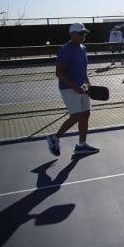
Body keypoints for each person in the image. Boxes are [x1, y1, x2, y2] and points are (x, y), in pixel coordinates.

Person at [46, 23, 100, 156]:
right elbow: (59, 73)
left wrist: (87, 81)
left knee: (86, 114)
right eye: (81, 33)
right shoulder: (66, 50)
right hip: (68, 89)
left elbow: (82, 68)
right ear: (72, 35)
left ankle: (81, 145)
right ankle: (55, 137)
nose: (84, 36)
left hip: (83, 87)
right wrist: (74, 87)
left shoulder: (83, 48)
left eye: (85, 33)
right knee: (76, 115)